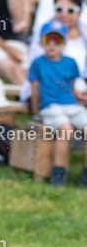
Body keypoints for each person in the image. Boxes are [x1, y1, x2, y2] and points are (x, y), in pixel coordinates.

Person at [29, 18, 87, 187]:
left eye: (57, 40)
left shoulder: (71, 63)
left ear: (64, 43)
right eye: (48, 40)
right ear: (41, 43)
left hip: (71, 106)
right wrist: (37, 112)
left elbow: (72, 87)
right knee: (66, 129)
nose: (52, 44)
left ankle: (85, 175)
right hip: (50, 107)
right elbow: (34, 91)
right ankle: (58, 173)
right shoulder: (38, 63)